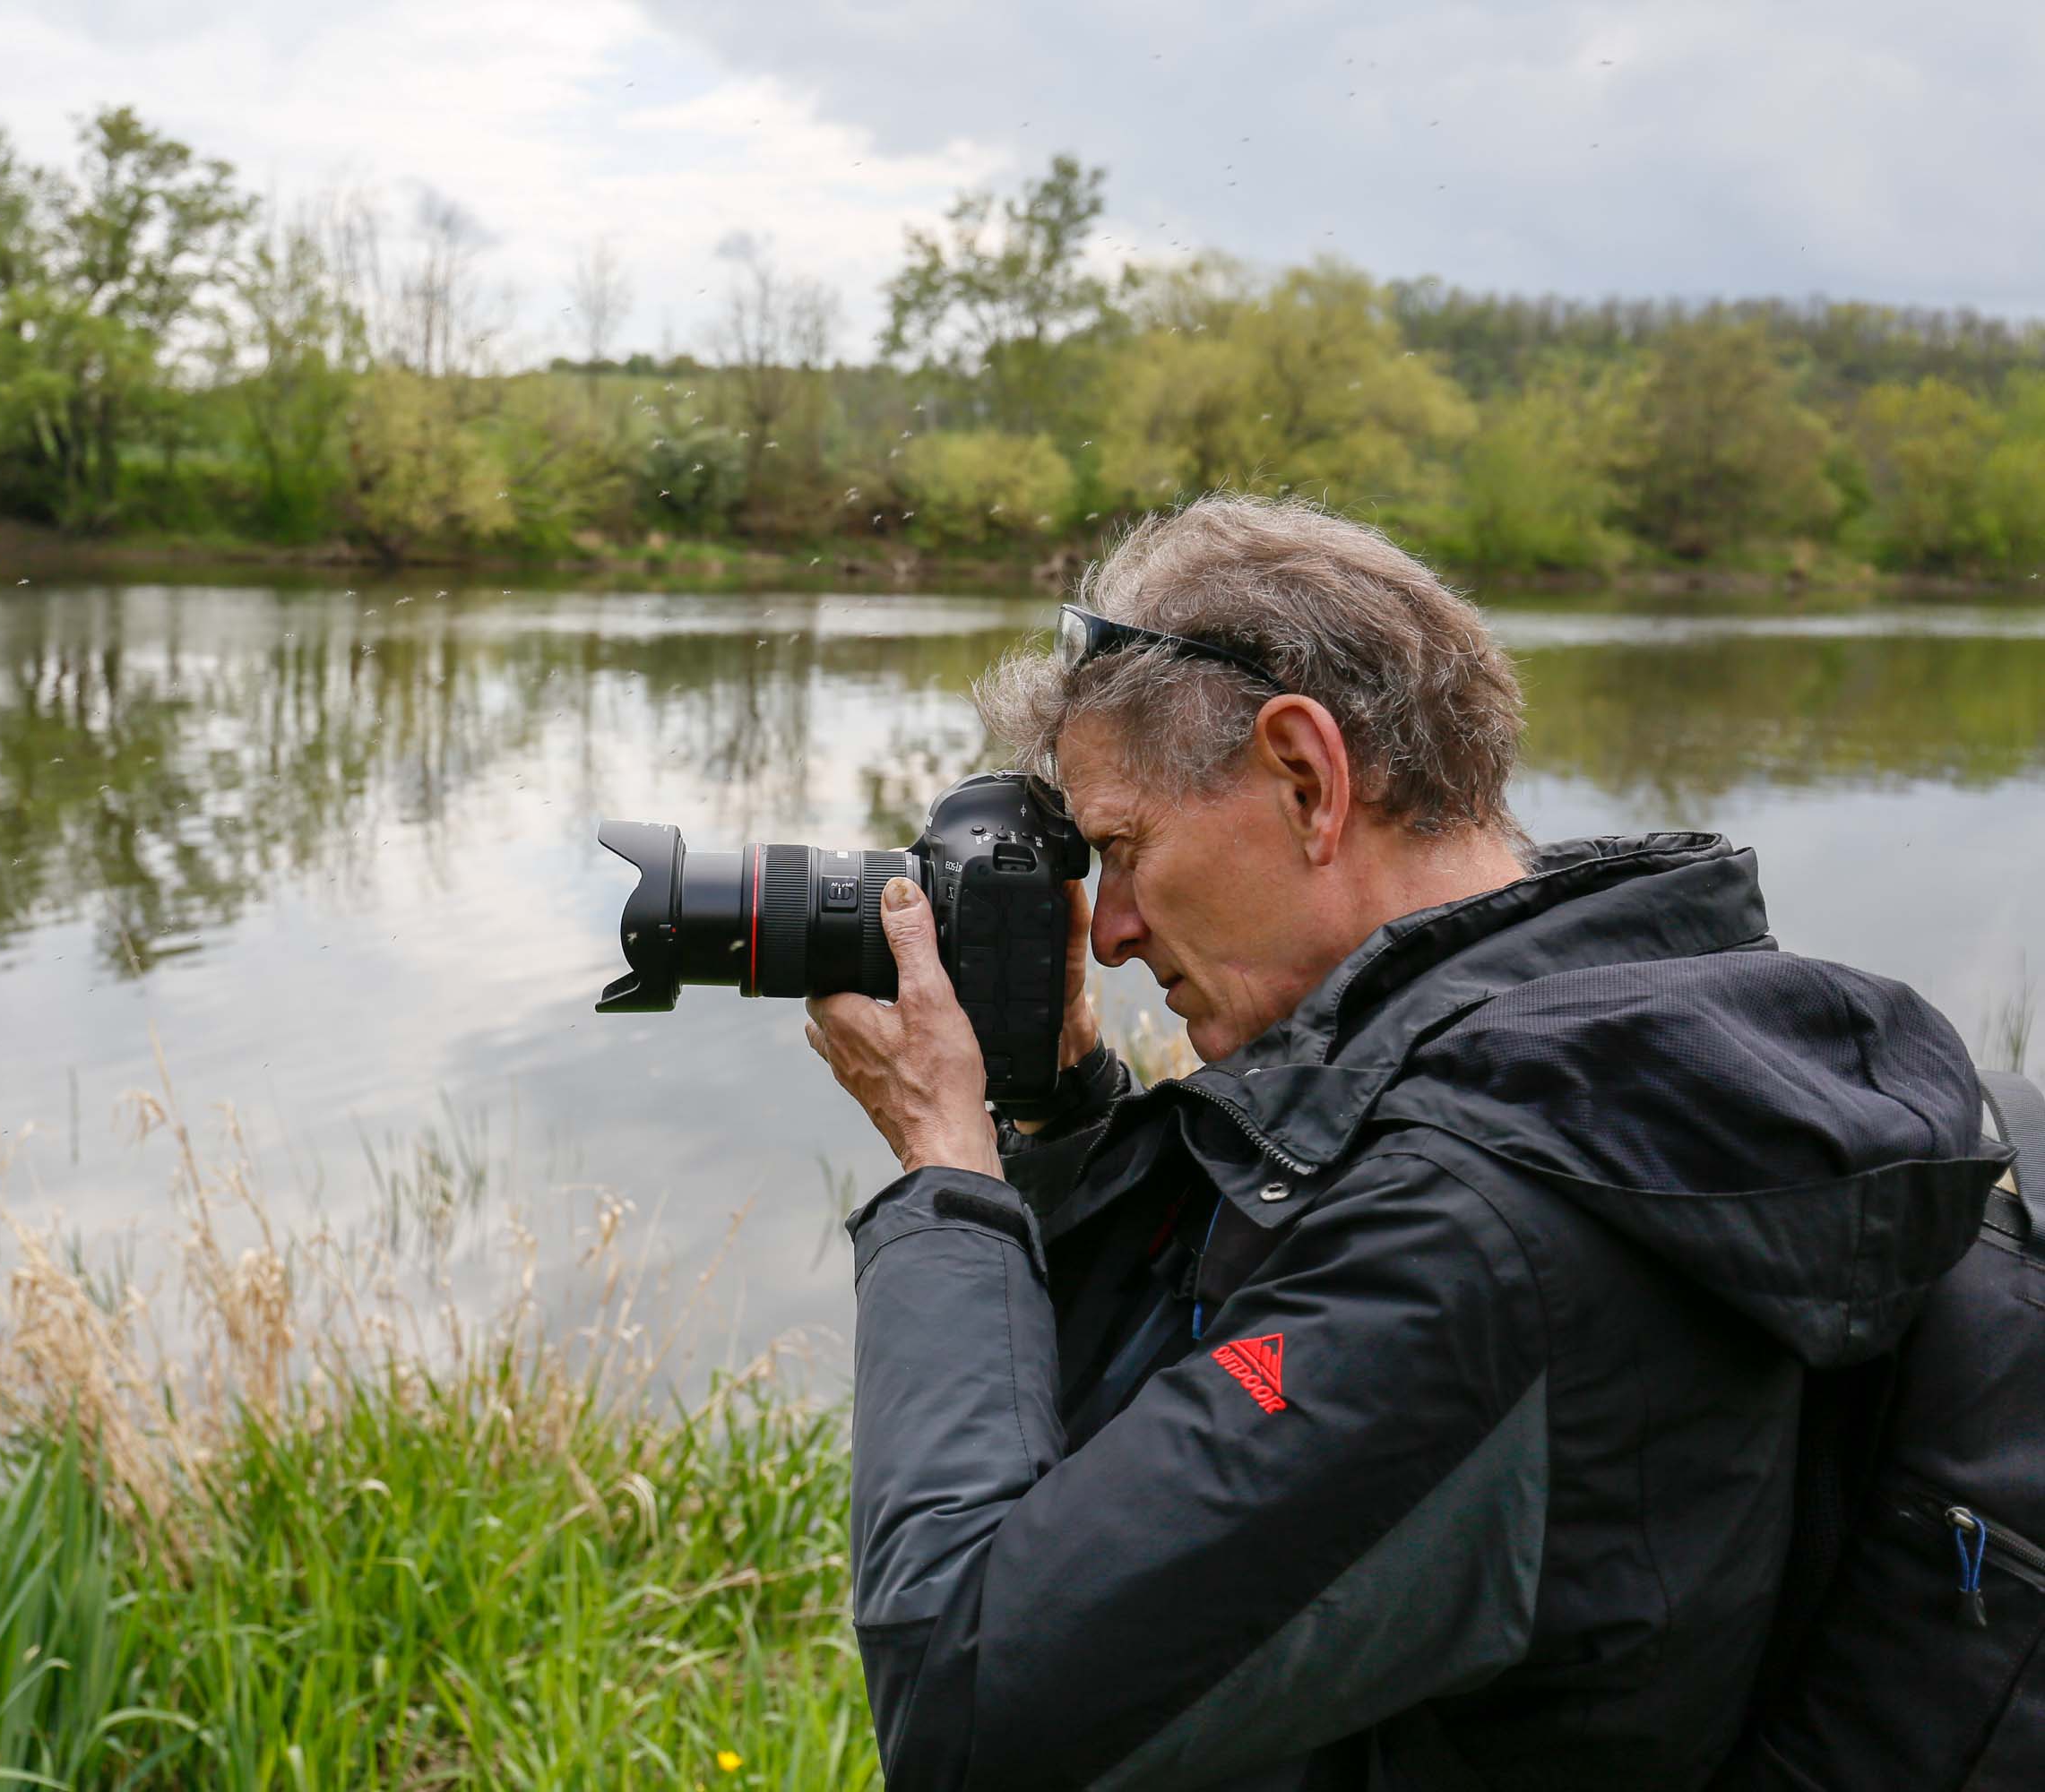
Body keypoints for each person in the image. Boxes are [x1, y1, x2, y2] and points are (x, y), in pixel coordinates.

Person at [801, 496, 2004, 1791]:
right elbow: (1149, 1462)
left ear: (1307, 778)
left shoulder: (1480, 1223)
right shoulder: (1620, 1055)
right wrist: (1062, 1116)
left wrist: (948, 1171)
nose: (1113, 930)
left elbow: (969, 1698)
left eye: (1122, 849)